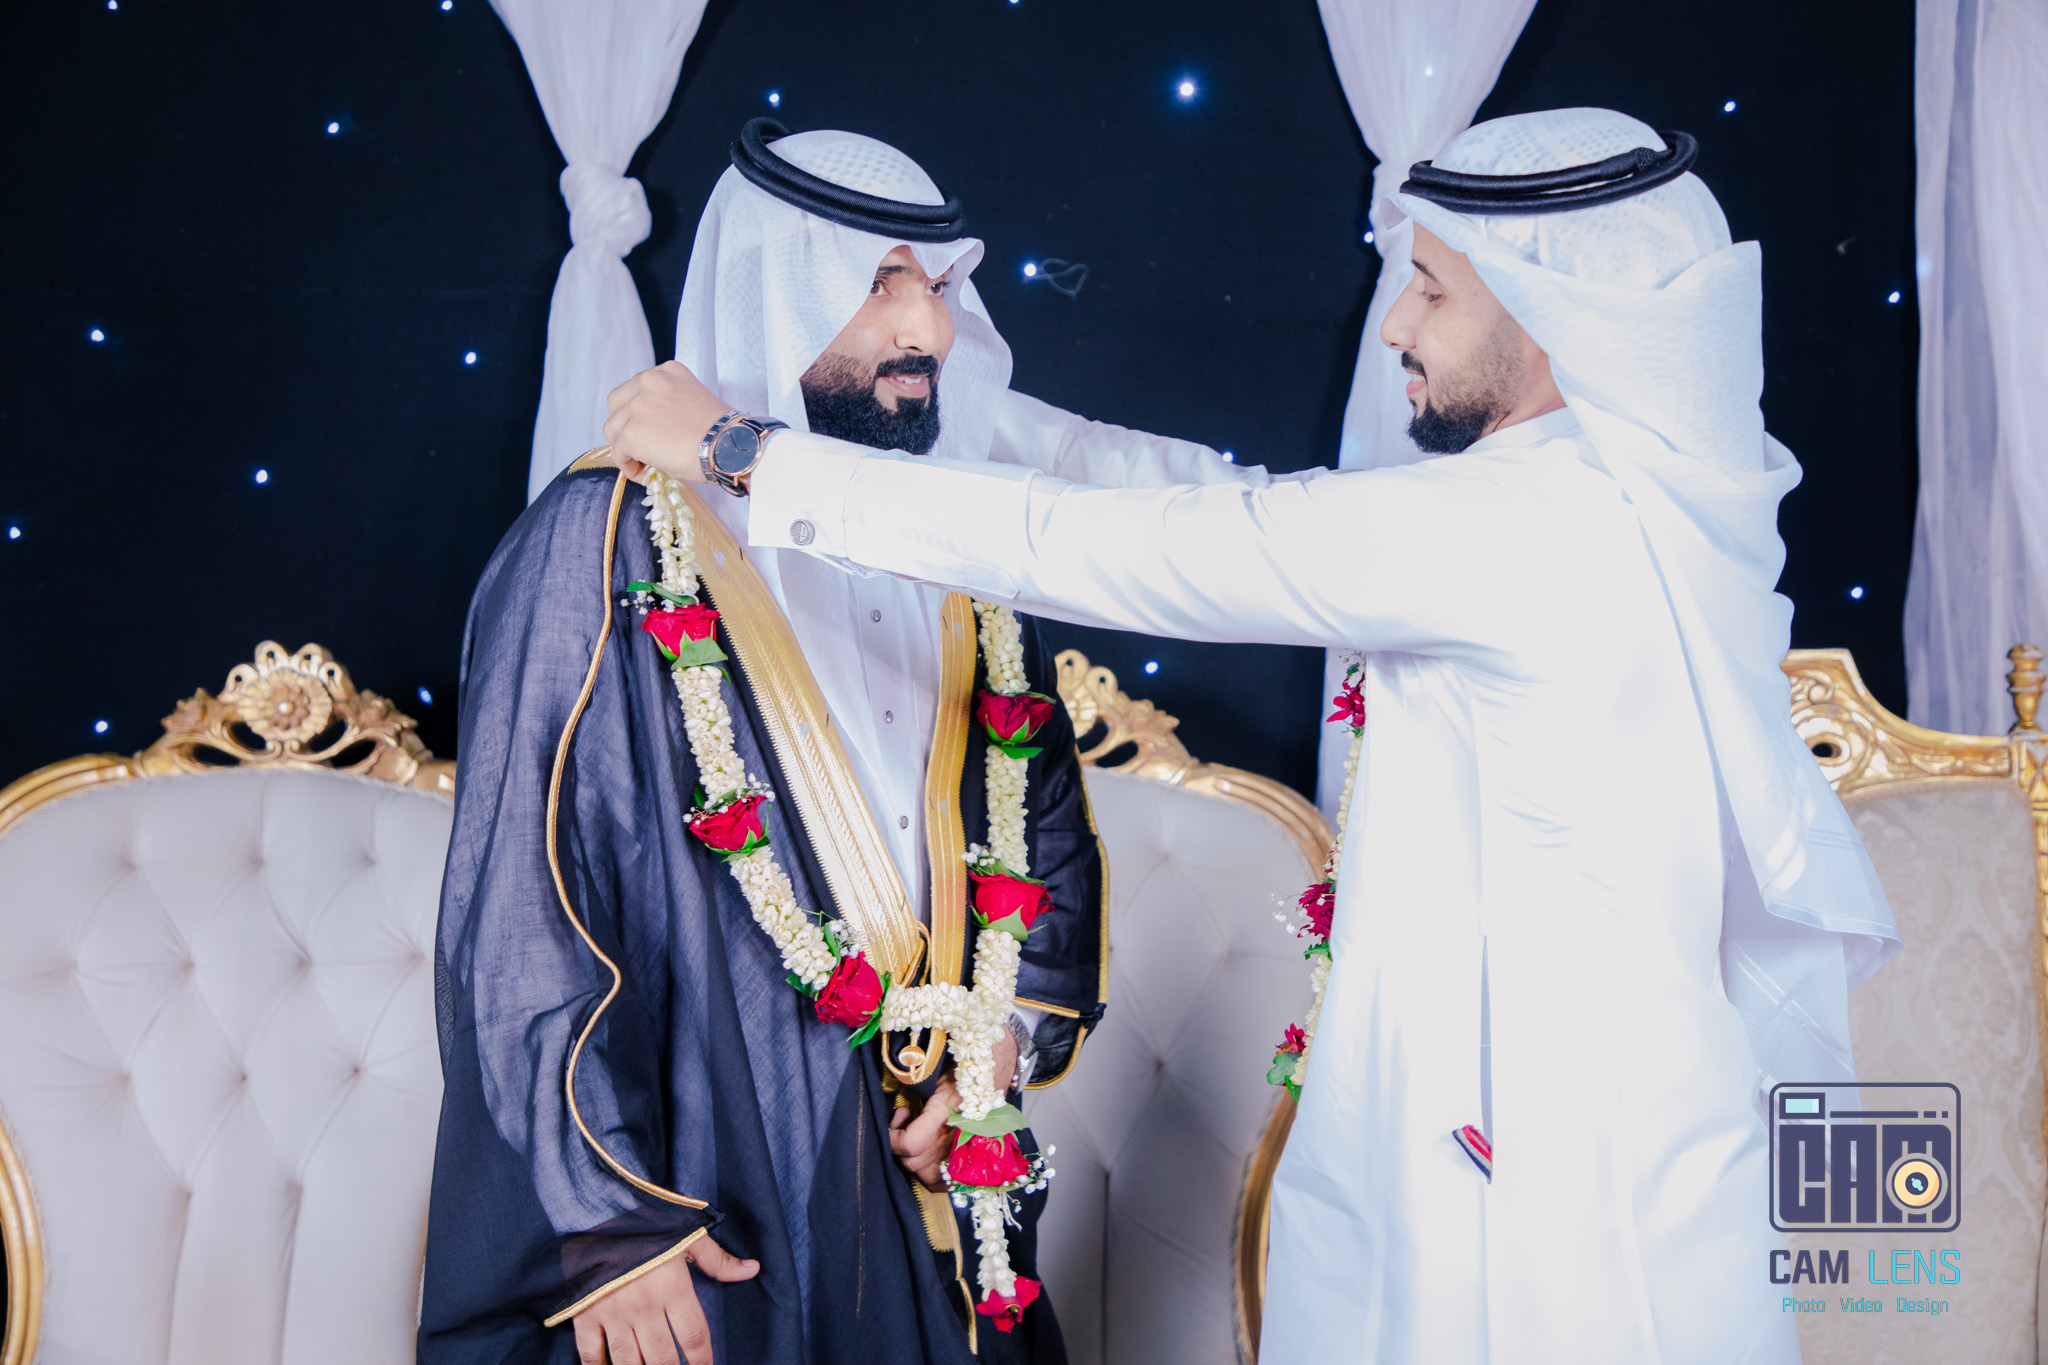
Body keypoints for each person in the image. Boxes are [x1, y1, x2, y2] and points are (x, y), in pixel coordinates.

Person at [603, 108, 1903, 1364]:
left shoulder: (1532, 526)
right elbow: (1220, 501)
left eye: (1432, 290)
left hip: (1551, 1193)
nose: (1394, 325)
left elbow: (1136, 547)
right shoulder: (1609, 499)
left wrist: (746, 450)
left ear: (1551, 321)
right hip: (1547, 1125)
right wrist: (960, 413)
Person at [422, 119, 1270, 1365]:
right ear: (774, 290)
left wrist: (999, 1037)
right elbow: (524, 898)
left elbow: (1035, 815)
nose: (926, 329)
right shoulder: (604, 538)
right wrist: (608, 1226)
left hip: (942, 1185)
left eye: (939, 287)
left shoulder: (955, 541)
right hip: (708, 1176)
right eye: (879, 285)